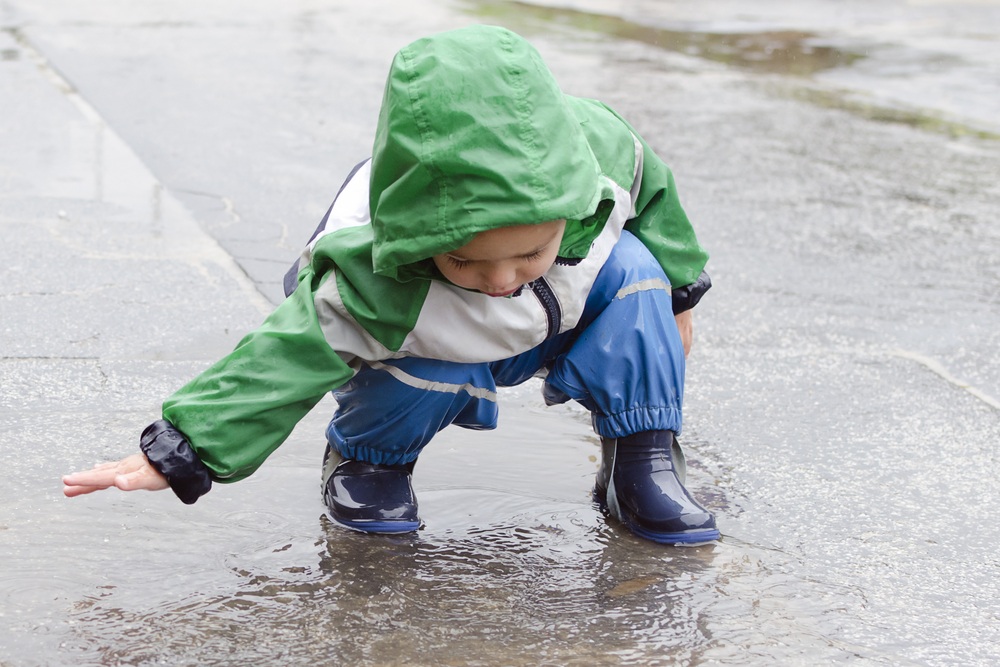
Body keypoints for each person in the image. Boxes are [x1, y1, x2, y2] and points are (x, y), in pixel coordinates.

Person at [62, 25, 718, 545]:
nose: (500, 280)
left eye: (530, 251)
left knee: (637, 272)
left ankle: (642, 458)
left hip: (562, 317)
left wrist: (680, 296)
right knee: (409, 351)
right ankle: (371, 462)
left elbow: (650, 192)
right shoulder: (372, 273)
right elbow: (279, 358)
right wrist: (181, 449)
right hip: (423, 343)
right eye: (467, 261)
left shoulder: (597, 152)